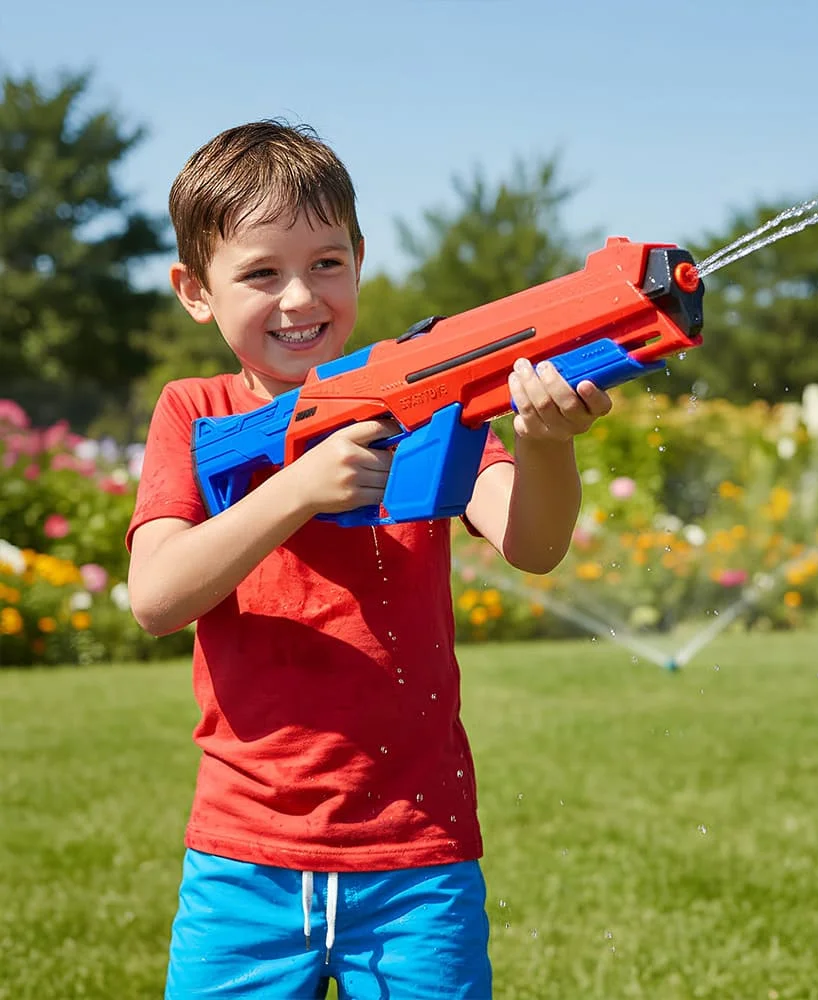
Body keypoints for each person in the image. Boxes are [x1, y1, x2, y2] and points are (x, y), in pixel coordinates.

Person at [127, 119, 612, 999]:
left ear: (358, 257)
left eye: (324, 263)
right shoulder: (193, 412)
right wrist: (300, 489)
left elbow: (534, 545)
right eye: (261, 272)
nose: (299, 298)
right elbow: (156, 597)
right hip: (245, 854)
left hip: (416, 851)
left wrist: (547, 444)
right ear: (194, 290)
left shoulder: (425, 393)